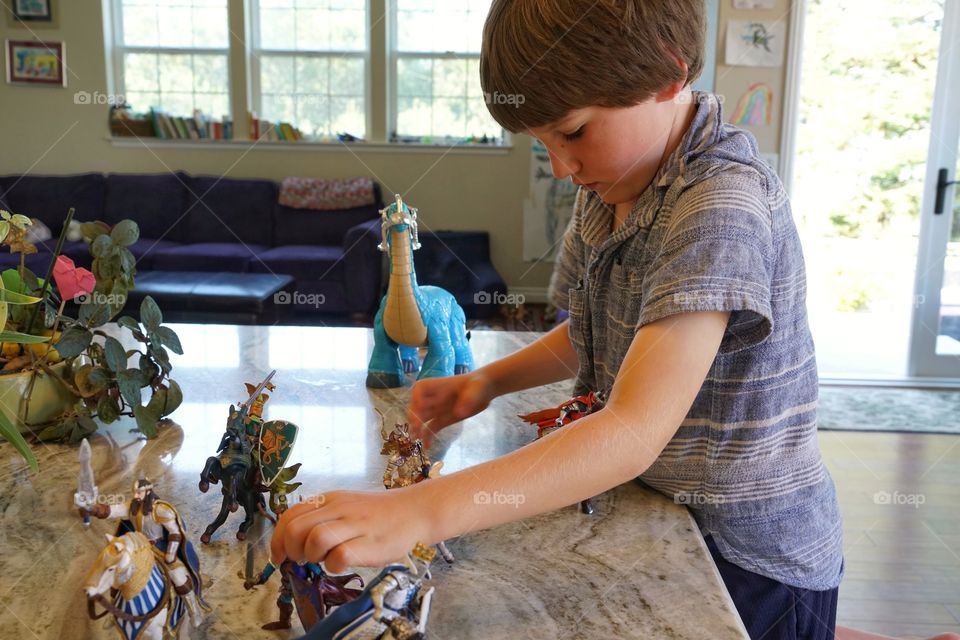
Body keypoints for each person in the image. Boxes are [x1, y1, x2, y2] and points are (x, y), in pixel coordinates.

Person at [273, 2, 845, 638]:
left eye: (572, 132)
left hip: (748, 559)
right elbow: (600, 331)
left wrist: (418, 511)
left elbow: (631, 430)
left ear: (667, 77)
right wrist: (487, 381)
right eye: (543, 143)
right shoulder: (615, 186)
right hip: (658, 514)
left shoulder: (719, 205)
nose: (563, 165)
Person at [86, 478, 207, 626]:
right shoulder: (132, 507)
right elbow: (112, 510)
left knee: (178, 577)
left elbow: (174, 532)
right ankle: (116, 612)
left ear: (148, 491)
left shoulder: (161, 510)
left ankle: (193, 610)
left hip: (160, 548)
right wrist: (93, 509)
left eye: (139, 492)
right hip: (138, 548)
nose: (136, 496)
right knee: (118, 574)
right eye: (134, 492)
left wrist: (170, 554)